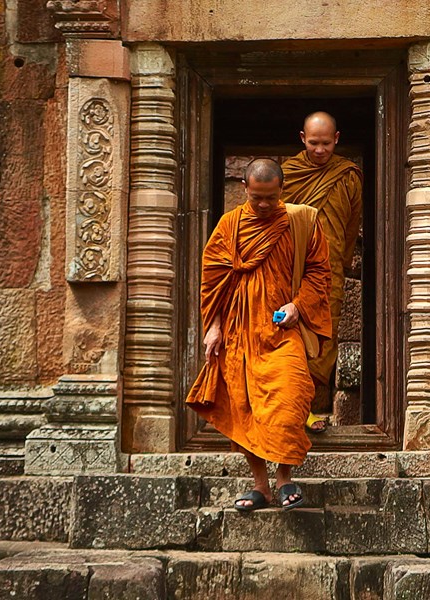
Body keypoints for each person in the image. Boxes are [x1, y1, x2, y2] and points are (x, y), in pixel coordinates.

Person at [186, 158, 332, 511]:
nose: (263, 205)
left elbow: (320, 272)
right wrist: (214, 327)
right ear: (245, 191)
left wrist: (298, 305)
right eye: (256, 198)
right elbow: (213, 281)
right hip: (239, 332)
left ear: (281, 190)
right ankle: (260, 486)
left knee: (289, 398)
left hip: (283, 331)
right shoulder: (230, 226)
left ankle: (285, 479)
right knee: (246, 408)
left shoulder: (303, 221)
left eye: (270, 197)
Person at [281, 111, 363, 433]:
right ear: (303, 139)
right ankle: (287, 411)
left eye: (326, 143)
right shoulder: (287, 174)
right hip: (291, 274)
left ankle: (312, 410)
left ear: (337, 139)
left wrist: (338, 265)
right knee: (289, 340)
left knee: (323, 342)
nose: (319, 150)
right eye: (313, 143)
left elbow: (351, 225)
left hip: (330, 275)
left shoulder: (348, 177)